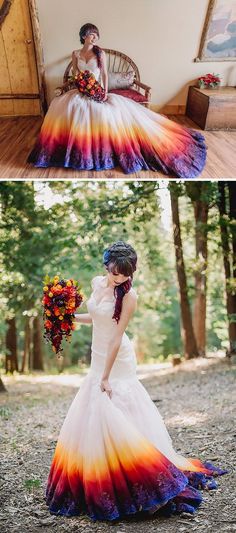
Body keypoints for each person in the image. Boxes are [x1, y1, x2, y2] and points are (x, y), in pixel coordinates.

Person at [45, 241, 227, 522]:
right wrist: (67, 317)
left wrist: (105, 376)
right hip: (98, 354)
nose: (121, 279)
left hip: (116, 359)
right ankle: (99, 471)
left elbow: (116, 336)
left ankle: (135, 473)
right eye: (116, 273)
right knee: (94, 412)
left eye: (126, 274)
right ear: (106, 268)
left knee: (117, 407)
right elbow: (95, 318)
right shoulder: (97, 284)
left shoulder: (130, 297)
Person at [28, 23, 207, 178]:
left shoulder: (100, 53)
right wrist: (81, 83)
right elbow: (75, 73)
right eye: (91, 34)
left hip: (98, 91)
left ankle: (100, 152)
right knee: (63, 106)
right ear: (84, 36)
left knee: (103, 112)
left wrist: (103, 92)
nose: (95, 37)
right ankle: (69, 152)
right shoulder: (75, 54)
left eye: (96, 35)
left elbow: (104, 74)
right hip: (81, 90)